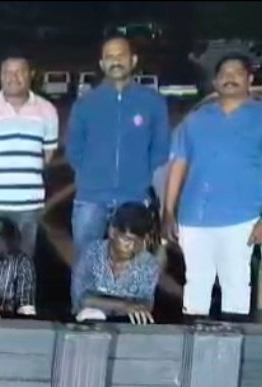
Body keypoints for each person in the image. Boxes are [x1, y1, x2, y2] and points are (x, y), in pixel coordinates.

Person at [163, 53, 262, 322]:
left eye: (237, 73)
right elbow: (179, 164)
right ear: (215, 82)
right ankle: (193, 345)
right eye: (224, 73)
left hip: (242, 218)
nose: (230, 78)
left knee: (235, 286)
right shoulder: (196, 119)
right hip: (194, 216)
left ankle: (230, 346)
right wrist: (168, 211)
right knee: (195, 286)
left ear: (249, 79)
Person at [66, 36, 170, 309]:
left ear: (133, 60)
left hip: (134, 197)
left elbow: (160, 149)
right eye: (109, 56)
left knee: (137, 261)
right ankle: (83, 316)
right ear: (102, 63)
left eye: (121, 55)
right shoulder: (85, 104)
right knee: (85, 261)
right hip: (91, 197)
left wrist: (139, 177)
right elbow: (74, 151)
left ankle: (135, 315)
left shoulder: (152, 102)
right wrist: (92, 175)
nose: (115, 61)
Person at [0, 52, 59, 258]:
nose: (13, 78)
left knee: (23, 264)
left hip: (28, 205)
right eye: (7, 72)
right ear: (0, 75)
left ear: (31, 74)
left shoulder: (47, 110)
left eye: (19, 72)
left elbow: (47, 155)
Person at [73, 202, 161, 325]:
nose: (132, 247)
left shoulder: (149, 263)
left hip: (128, 327)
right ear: (113, 232)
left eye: (138, 242)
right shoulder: (91, 253)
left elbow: (145, 306)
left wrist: (104, 303)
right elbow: (82, 299)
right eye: (127, 239)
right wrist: (125, 306)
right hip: (88, 325)